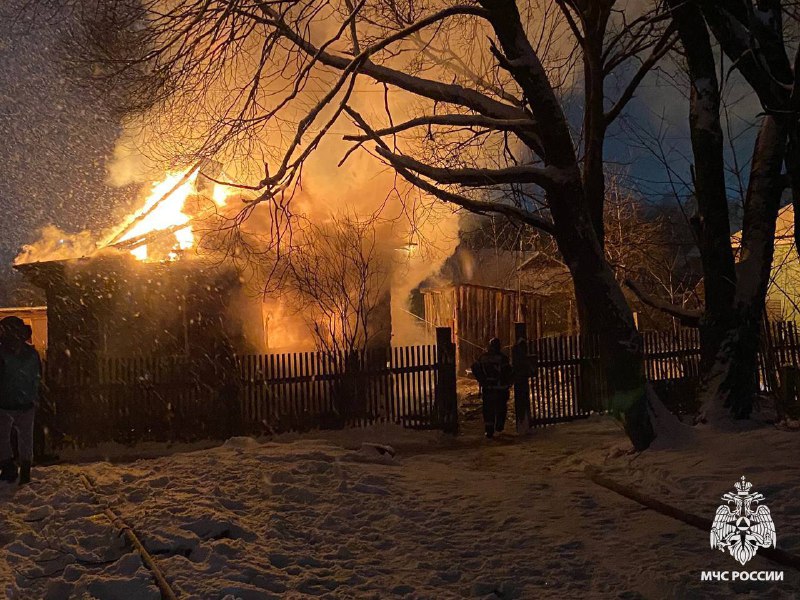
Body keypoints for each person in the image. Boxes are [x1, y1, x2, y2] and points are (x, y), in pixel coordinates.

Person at [0, 316, 41, 485]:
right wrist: (34, 394)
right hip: (26, 401)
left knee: (2, 437)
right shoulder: (31, 353)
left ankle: (9, 467)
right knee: (25, 438)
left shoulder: (2, 353)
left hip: (5, 402)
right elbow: (37, 376)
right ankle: (25, 469)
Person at [471, 338, 513, 439]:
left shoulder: (483, 357)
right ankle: (499, 426)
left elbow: (475, 367)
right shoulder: (503, 358)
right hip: (500, 389)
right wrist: (509, 383)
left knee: (488, 409)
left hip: (488, 388)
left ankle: (489, 430)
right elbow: (508, 372)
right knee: (501, 408)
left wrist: (482, 380)